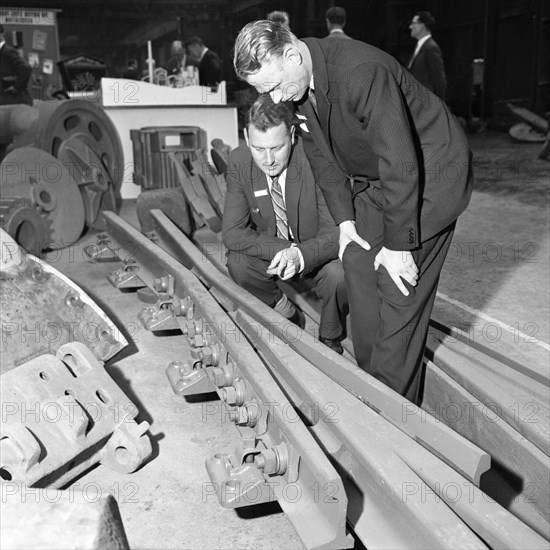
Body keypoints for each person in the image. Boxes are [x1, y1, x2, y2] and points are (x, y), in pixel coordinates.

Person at [233, 21, 473, 403]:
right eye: (265, 91)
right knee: (359, 262)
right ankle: (369, 385)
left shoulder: (360, 72)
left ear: (293, 55)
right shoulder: (295, 89)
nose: (275, 98)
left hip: (430, 175)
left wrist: (398, 246)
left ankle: (391, 415)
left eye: (275, 86)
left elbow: (401, 161)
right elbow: (321, 158)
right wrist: (345, 223)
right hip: (375, 179)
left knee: (398, 287)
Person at [222, 94, 348, 354]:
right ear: (247, 138)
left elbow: (336, 232)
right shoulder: (240, 160)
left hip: (315, 251)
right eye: (259, 149)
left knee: (341, 275)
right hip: (279, 249)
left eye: (277, 148)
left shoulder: (317, 160)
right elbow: (233, 233)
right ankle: (285, 312)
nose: (268, 159)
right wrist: (286, 250)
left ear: (292, 135)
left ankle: (330, 336)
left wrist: (301, 254)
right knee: (238, 263)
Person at [408, 11, 447, 100]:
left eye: (413, 23)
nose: (410, 27)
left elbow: (439, 80)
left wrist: (439, 107)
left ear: (422, 25)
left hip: (425, 104)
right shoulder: (420, 46)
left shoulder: (431, 48)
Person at [0, 24, 32, 106]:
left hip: (16, 102)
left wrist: (16, 87)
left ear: (1, 34)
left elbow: (26, 68)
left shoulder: (7, 51)